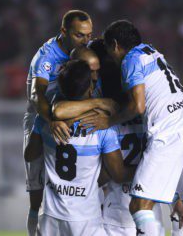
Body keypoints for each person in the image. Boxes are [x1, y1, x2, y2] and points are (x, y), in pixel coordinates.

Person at [83, 20, 183, 236]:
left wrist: (109, 120)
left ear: (116, 45)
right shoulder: (153, 52)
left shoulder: (130, 60)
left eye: (110, 51)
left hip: (169, 134)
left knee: (139, 207)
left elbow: (138, 106)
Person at [53, 40, 167, 236]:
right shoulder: (148, 104)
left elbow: (110, 174)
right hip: (149, 208)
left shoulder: (100, 114)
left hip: (115, 213)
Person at [35, 59, 135, 236]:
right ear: (90, 88)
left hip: (49, 216)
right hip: (85, 218)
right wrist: (149, 166)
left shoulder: (46, 122)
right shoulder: (101, 128)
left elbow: (30, 155)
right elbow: (118, 174)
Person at [23, 10, 93, 236]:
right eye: (80, 36)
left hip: (72, 115)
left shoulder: (84, 52)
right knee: (37, 187)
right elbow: (37, 95)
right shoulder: (47, 56)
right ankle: (35, 226)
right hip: (41, 119)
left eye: (89, 35)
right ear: (64, 32)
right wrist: (51, 119)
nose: (86, 41)